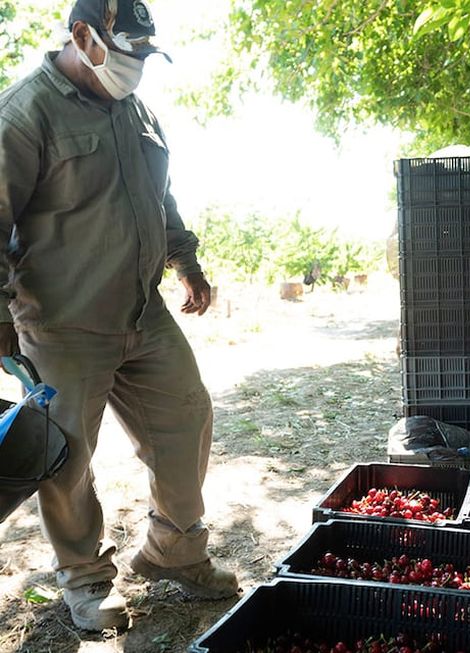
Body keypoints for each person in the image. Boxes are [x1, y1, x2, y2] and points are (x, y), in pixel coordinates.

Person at [0, 0, 238, 631]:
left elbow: (162, 199)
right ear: (83, 35)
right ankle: (83, 579)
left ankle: (174, 551)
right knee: (68, 457)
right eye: (126, 53)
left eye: (143, 57)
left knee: (188, 414)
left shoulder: (137, 112)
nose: (135, 70)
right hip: (63, 323)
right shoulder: (24, 113)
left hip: (142, 311)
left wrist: (187, 264)